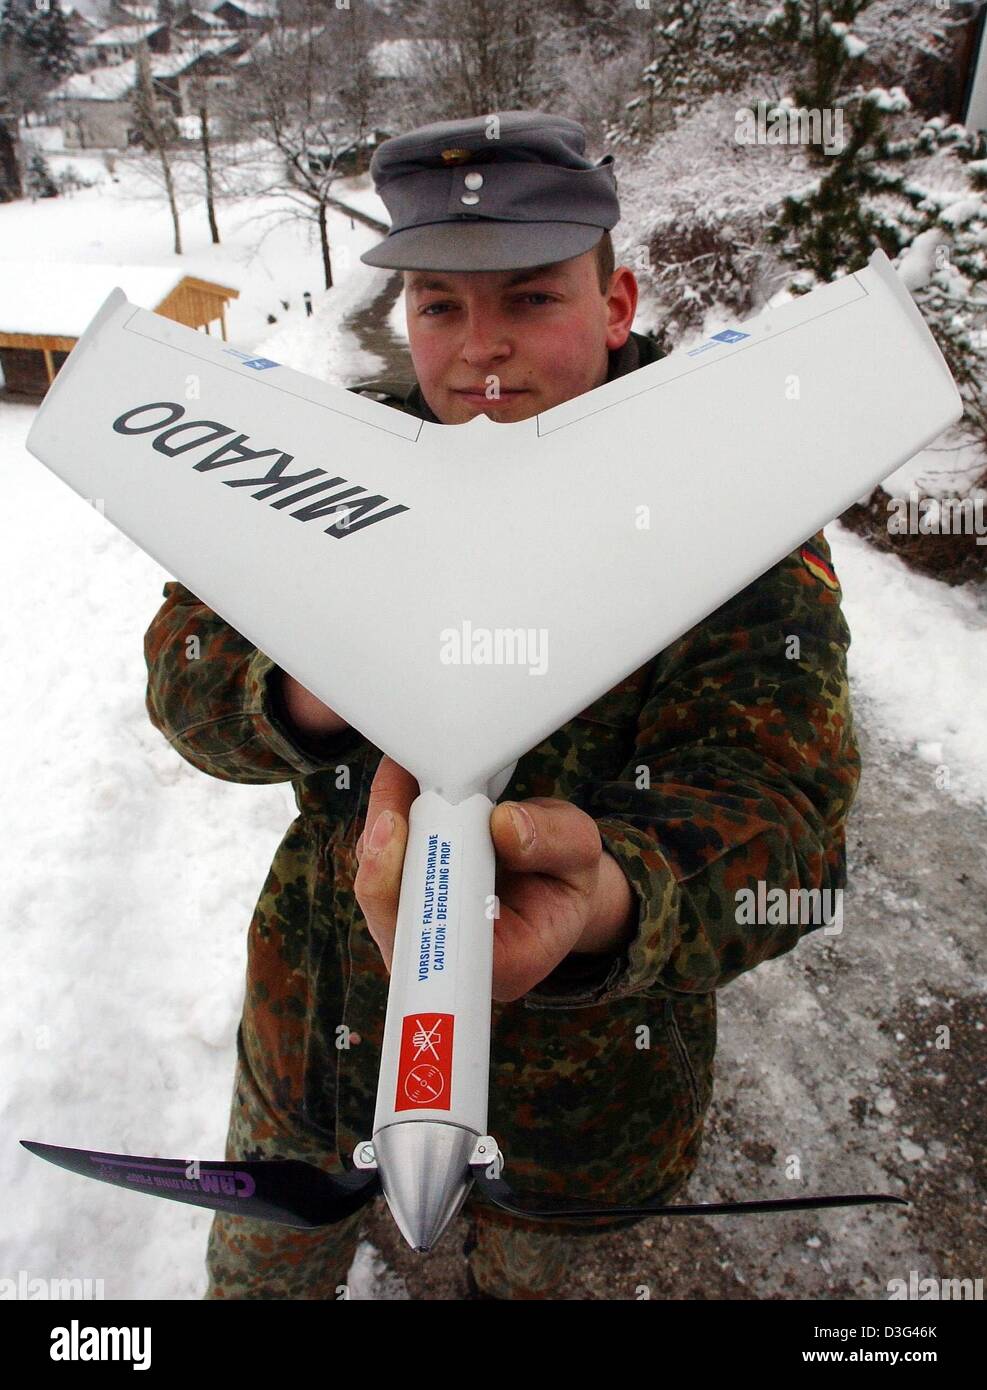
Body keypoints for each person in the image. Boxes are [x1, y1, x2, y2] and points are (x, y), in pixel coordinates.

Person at [143, 110, 860, 1300]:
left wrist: (613, 901)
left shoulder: (733, 515)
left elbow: (790, 826)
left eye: (531, 300)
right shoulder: (329, 472)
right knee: (261, 1276)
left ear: (617, 301)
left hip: (579, 1118)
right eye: (440, 305)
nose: (482, 353)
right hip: (316, 1042)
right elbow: (183, 676)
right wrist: (315, 669)